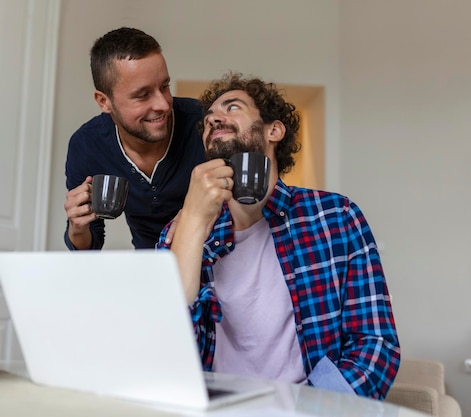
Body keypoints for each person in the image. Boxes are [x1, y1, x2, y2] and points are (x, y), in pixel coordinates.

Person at [157, 73, 400, 399]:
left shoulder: (336, 217)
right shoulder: (183, 231)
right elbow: (166, 353)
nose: (213, 118)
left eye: (232, 106)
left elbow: (375, 344)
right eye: (208, 118)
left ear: (274, 130)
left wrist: (308, 408)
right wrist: (193, 221)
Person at [64, 27, 205, 250]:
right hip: (151, 265)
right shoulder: (87, 145)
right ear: (104, 101)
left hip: (220, 262)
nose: (163, 105)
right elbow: (89, 248)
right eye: (143, 95)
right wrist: (77, 227)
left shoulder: (206, 124)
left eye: (164, 87)